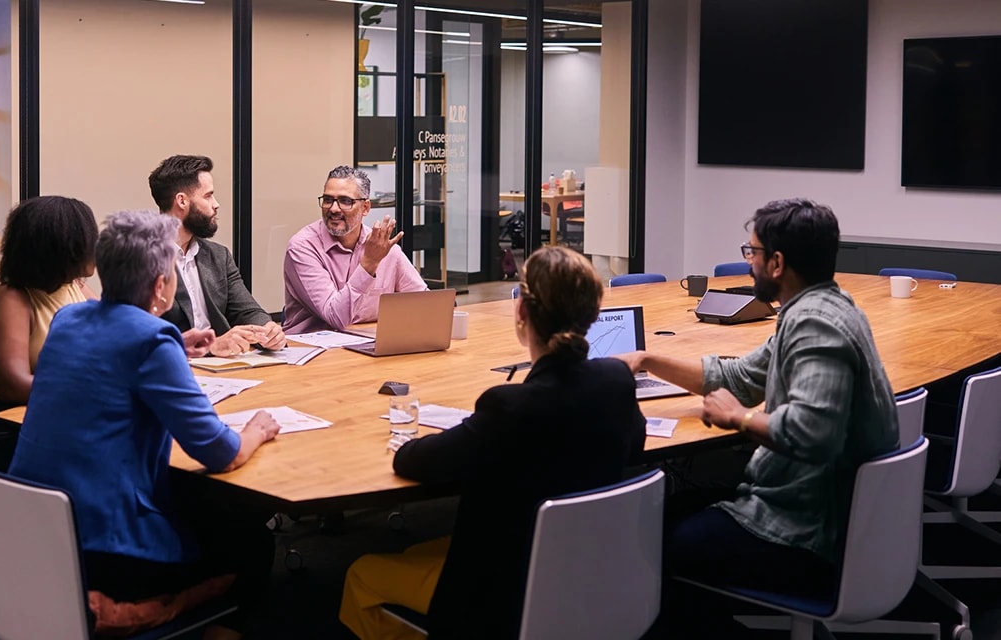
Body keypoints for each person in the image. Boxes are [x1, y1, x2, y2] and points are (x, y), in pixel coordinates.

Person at [339, 246, 647, 639]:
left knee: (360, 575)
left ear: (521, 313)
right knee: (418, 551)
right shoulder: (617, 383)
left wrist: (407, 439)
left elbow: (414, 463)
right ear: (593, 313)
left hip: (502, 590)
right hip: (592, 569)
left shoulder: (509, 407)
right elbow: (634, 442)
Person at [623, 199, 899, 636]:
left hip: (801, 532)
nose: (748, 261)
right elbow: (739, 376)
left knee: (644, 542)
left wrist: (740, 420)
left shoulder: (815, 326)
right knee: (663, 514)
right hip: (813, 510)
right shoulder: (823, 308)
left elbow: (814, 433)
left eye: (751, 252)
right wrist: (648, 360)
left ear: (776, 262)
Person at [9, 211, 281, 639]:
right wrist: (257, 430)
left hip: (36, 532)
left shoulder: (69, 321)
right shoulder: (151, 340)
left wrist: (178, 350)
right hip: (106, 547)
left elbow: (111, 358)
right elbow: (220, 452)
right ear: (161, 285)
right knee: (252, 542)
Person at [0, 195, 98, 472]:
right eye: (87, 239)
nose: (95, 247)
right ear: (59, 247)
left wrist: (174, 341)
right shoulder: (11, 300)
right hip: (1, 429)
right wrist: (91, 387)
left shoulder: (73, 286)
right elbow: (14, 387)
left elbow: (118, 331)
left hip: (53, 416)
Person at [148, 154, 286, 356]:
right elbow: (137, 337)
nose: (216, 204)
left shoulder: (218, 256)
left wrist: (267, 330)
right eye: (208, 195)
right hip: (170, 371)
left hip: (226, 369)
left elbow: (247, 311)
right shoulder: (139, 259)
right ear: (182, 201)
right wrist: (209, 347)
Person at [282, 165, 427, 334]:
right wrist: (369, 264)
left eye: (345, 201)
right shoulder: (302, 247)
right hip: (312, 351)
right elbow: (335, 317)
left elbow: (425, 303)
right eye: (328, 200)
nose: (334, 209)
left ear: (365, 208)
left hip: (370, 343)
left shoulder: (382, 247)